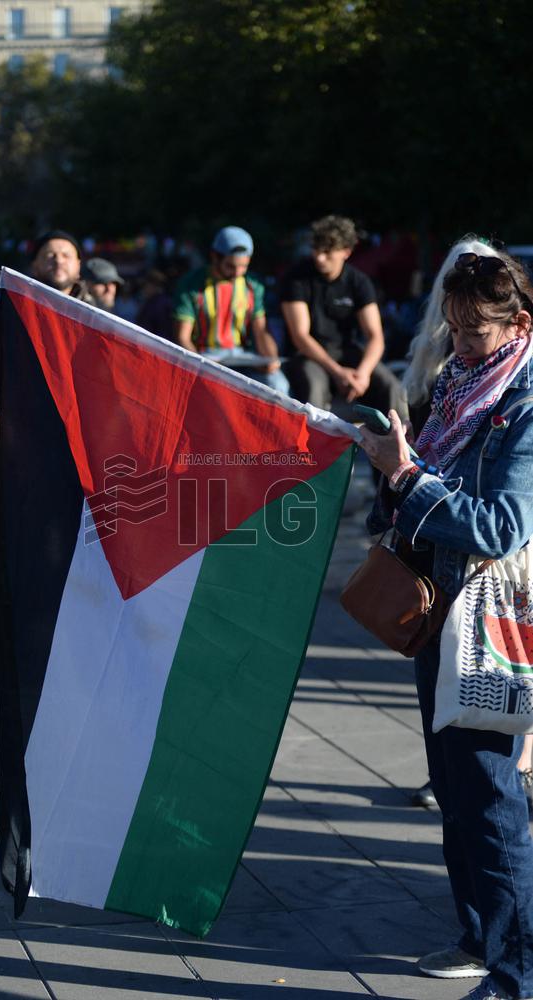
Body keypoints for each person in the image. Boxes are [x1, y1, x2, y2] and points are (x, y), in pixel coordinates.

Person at [361, 247, 533, 1000]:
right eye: (453, 328)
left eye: (475, 332)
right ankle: (480, 938)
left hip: (490, 617)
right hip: (440, 608)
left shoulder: (524, 404)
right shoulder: (459, 384)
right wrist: (391, 462)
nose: (459, 344)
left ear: (518, 323)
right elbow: (422, 486)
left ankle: (517, 971)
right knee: (456, 790)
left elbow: (501, 525)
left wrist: (406, 477)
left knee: (490, 797)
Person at [0, 230, 94, 434]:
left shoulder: (96, 315)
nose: (58, 261)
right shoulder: (14, 310)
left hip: (81, 433)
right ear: (35, 266)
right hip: (25, 431)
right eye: (50, 255)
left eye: (66, 255)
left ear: (78, 266)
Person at [280, 214, 406, 417]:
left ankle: (399, 436)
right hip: (309, 356)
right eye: (316, 250)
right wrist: (338, 372)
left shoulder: (359, 282)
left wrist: (363, 373)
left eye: (327, 252)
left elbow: (375, 337)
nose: (319, 258)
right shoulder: (296, 279)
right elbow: (300, 336)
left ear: (346, 252)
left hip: (347, 352)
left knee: (392, 387)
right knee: (314, 388)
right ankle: (312, 439)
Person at [173, 225, 289, 393]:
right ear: (215, 257)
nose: (237, 272)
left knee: (277, 384)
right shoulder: (190, 284)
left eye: (243, 266)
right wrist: (202, 366)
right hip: (205, 357)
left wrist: (271, 360)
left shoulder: (253, 285)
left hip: (243, 357)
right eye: (231, 266)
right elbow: (183, 338)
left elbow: (261, 330)